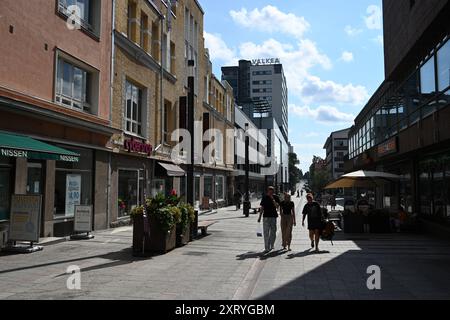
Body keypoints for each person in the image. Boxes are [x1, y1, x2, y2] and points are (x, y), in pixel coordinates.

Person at [258, 186, 281, 253]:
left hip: (273, 216)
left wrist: (273, 199)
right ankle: (266, 247)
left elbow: (277, 206)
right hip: (266, 217)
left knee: (273, 232)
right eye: (270, 191)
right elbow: (262, 207)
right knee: (266, 233)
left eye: (272, 191)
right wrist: (259, 217)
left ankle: (271, 244)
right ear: (268, 191)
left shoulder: (276, 197)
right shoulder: (264, 197)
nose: (271, 192)